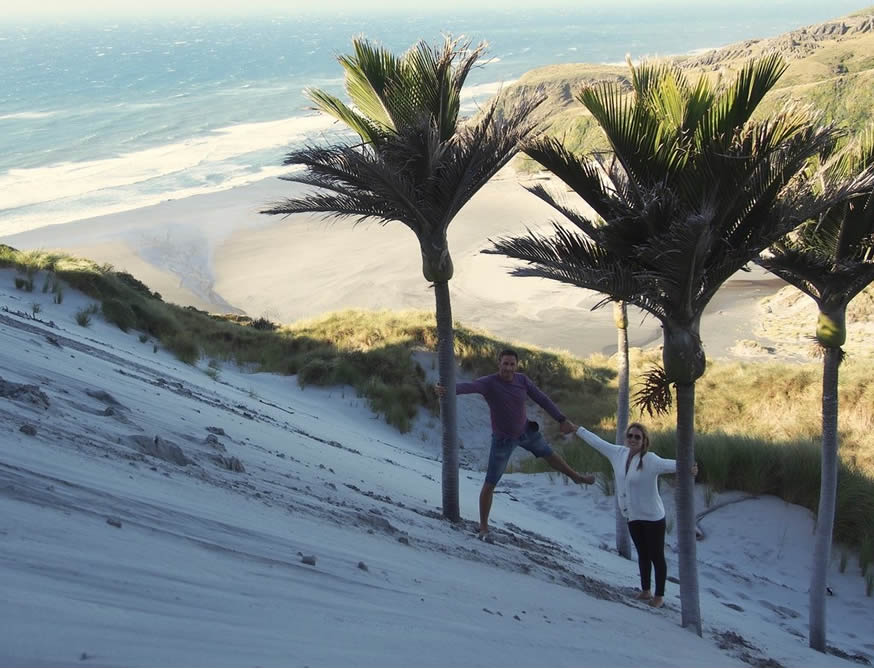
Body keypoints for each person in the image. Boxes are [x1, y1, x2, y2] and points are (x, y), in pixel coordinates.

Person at [435, 348, 595, 541]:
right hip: (503, 440)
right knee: (490, 483)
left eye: (512, 364)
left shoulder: (522, 380)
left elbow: (542, 399)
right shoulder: (489, 383)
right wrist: (448, 390)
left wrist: (561, 419)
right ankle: (483, 527)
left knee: (550, 455)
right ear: (499, 363)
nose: (509, 368)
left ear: (516, 365)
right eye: (505, 363)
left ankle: (576, 477)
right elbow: (470, 386)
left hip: (526, 431)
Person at [567, 420, 697, 608]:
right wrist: (577, 429)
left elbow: (674, 465)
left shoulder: (651, 460)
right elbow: (597, 442)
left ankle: (659, 595)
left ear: (644, 440)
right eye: (630, 436)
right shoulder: (618, 454)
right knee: (643, 554)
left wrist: (689, 467)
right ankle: (645, 591)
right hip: (632, 516)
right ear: (626, 438)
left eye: (638, 437)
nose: (633, 439)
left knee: (656, 556)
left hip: (653, 517)